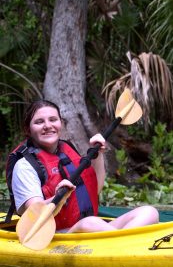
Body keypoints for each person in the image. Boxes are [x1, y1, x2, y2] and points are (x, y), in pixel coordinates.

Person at [9, 100, 159, 233]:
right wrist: (58, 199)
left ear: (60, 123)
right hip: (55, 236)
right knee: (90, 223)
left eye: (53, 119)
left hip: (89, 229)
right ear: (28, 129)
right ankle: (125, 243)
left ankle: (121, 242)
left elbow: (96, 189)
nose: (48, 125)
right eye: (39, 122)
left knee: (149, 212)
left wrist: (98, 154)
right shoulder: (25, 166)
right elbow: (33, 214)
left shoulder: (66, 152)